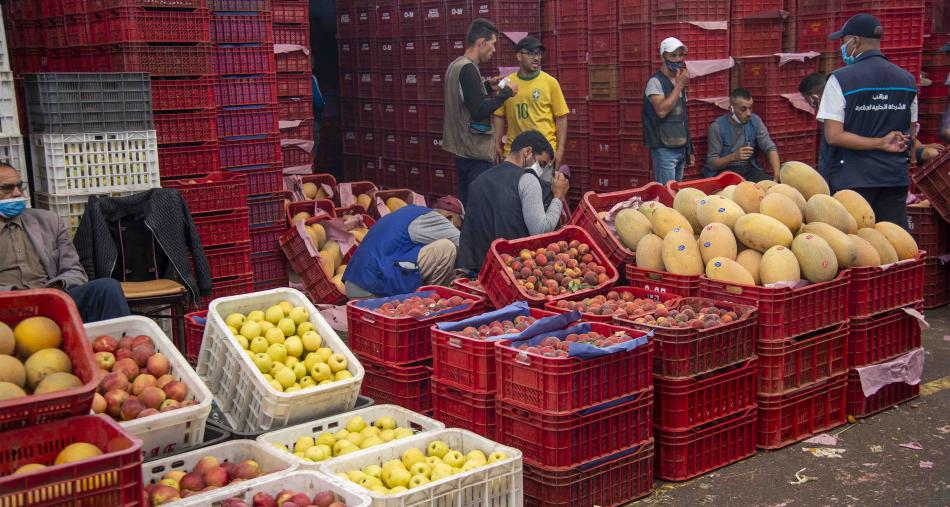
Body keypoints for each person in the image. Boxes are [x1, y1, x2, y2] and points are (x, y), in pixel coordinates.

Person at [819, 13, 928, 227]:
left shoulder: (840, 79)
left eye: (844, 42)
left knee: (857, 244)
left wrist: (878, 143)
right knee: (893, 246)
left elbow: (833, 136)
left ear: (856, 41)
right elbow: (910, 135)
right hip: (894, 177)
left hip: (853, 179)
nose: (843, 48)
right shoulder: (907, 80)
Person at [0, 164, 130, 322]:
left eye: (19, 186)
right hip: (7, 306)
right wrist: (16, 296)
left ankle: (115, 344)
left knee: (107, 288)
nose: (17, 193)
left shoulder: (48, 221)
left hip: (52, 298)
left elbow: (75, 271)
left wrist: (55, 289)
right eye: (7, 188)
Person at [457, 130, 569, 273]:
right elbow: (540, 230)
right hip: (512, 272)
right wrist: (558, 197)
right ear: (528, 152)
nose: (541, 171)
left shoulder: (479, 180)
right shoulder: (528, 180)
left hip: (476, 269)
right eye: (541, 163)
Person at [442, 18, 519, 204]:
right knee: (478, 206)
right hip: (474, 151)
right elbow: (478, 110)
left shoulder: (456, 65)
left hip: (461, 150)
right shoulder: (468, 69)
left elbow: (466, 97)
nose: (494, 50)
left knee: (467, 204)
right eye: (492, 45)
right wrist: (506, 93)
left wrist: (487, 86)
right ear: (481, 43)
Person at [342, 196, 465, 299]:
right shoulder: (432, 218)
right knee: (446, 248)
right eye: (458, 226)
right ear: (449, 217)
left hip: (356, 283)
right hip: (372, 288)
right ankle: (429, 302)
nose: (456, 229)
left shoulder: (409, 213)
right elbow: (466, 245)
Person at [491, 36, 569, 178]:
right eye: (531, 53)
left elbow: (561, 117)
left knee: (542, 197)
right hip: (515, 155)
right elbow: (499, 115)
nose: (536, 58)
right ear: (519, 56)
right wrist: (496, 143)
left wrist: (560, 149)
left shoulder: (550, 83)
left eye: (539, 54)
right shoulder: (508, 84)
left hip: (543, 156)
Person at [643, 37, 695, 184]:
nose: (678, 59)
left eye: (680, 55)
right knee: (667, 193)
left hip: (680, 148)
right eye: (673, 55)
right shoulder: (655, 82)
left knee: (676, 194)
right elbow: (661, 111)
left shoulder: (677, 80)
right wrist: (679, 86)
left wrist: (689, 148)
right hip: (664, 149)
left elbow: (683, 117)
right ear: (663, 56)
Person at [704, 88, 780, 181]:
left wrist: (777, 174)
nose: (748, 113)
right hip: (725, 173)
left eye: (750, 108)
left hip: (747, 169)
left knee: (769, 186)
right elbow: (712, 163)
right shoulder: (717, 127)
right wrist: (733, 157)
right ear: (731, 109)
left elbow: (769, 147)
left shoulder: (755, 121)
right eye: (743, 109)